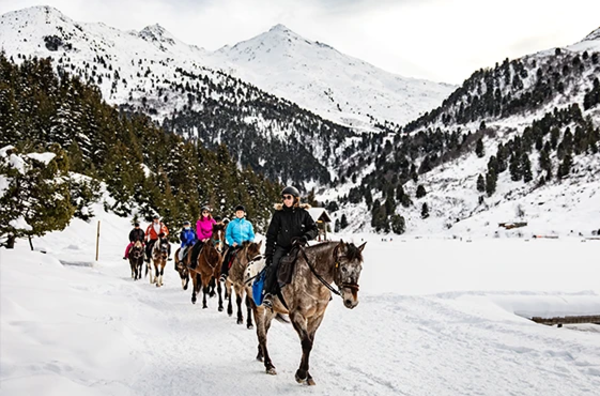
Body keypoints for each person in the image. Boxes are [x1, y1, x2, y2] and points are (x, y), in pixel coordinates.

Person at [262, 186, 318, 308]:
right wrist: (269, 253)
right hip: (282, 247)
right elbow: (271, 235)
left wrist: (305, 237)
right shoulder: (279, 214)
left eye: (289, 197)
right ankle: (269, 294)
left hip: (298, 247)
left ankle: (318, 292)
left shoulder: (303, 214)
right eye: (284, 198)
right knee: (274, 265)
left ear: (295, 199)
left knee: (311, 264)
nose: (286, 200)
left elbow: (314, 229)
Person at [220, 205, 255, 282]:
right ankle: (224, 273)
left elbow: (252, 234)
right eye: (238, 212)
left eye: (241, 212)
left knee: (255, 255)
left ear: (244, 213)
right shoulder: (231, 224)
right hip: (235, 245)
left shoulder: (248, 224)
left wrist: (250, 241)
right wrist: (232, 242)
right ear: (235, 214)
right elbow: (228, 235)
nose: (239, 214)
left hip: (246, 245)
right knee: (227, 255)